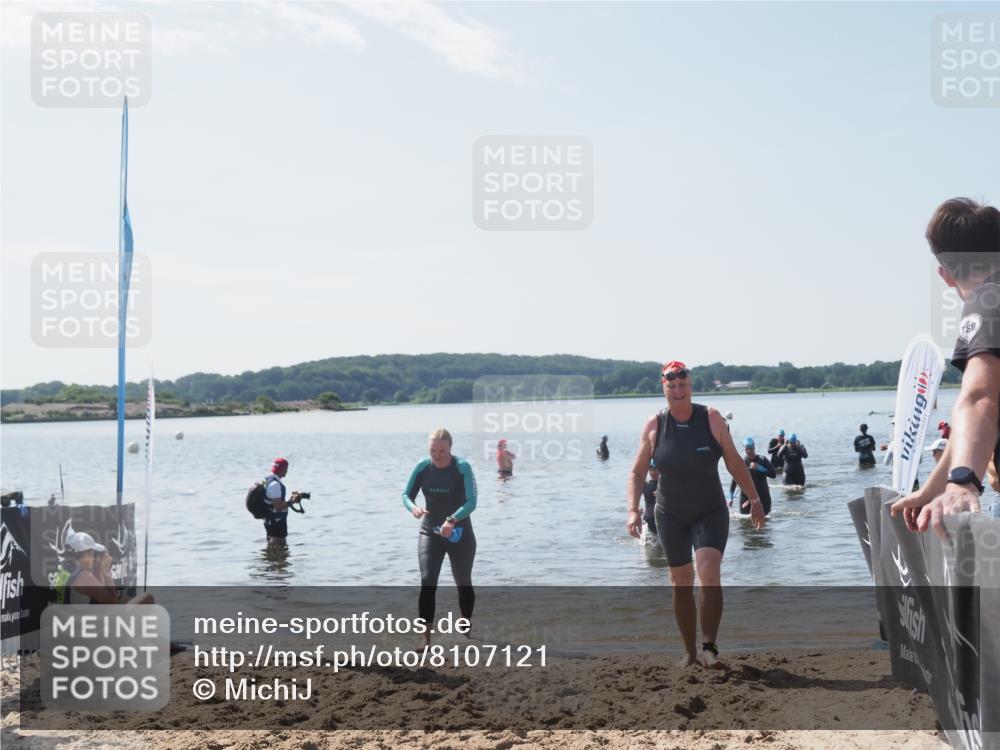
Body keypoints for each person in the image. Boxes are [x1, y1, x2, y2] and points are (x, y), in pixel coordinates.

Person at [627, 361, 765, 669]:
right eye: (672, 385)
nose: (678, 390)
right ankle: (690, 652)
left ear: (690, 386)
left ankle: (709, 648)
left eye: (683, 384)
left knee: (709, 572)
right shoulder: (655, 425)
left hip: (709, 509)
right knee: (680, 582)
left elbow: (734, 462)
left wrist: (754, 499)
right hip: (670, 513)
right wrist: (633, 510)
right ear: (664, 388)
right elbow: (637, 472)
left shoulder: (711, 418)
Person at [892, 198, 1000, 538]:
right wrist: (934, 488)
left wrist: (962, 483)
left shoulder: (986, 301)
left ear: (945, 273)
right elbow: (975, 421)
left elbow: (980, 399)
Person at [402, 428, 478, 646]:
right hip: (430, 533)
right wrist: (413, 508)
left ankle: (465, 626)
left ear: (450, 448)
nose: (437, 455)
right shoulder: (423, 467)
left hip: (460, 534)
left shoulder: (462, 468)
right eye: (433, 450)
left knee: (463, 582)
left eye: (442, 451)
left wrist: (451, 520)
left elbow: (472, 502)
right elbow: (406, 495)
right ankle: (425, 637)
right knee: (428, 581)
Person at [53, 531, 153, 605]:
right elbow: (111, 601)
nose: (94, 558)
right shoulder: (84, 577)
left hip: (69, 615)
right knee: (148, 598)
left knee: (125, 600)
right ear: (86, 554)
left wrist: (100, 570)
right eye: (93, 554)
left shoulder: (65, 568)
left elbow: (99, 595)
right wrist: (106, 570)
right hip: (81, 623)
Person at [263, 458, 303, 545]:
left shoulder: (268, 480)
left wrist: (291, 500)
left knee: (274, 546)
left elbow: (273, 502)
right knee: (279, 543)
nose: (287, 471)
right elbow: (278, 507)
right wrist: (292, 501)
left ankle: (271, 553)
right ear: (282, 469)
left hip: (270, 520)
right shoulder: (275, 485)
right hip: (276, 520)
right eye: (286, 468)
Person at [730, 437, 775, 515]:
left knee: (765, 519)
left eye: (750, 449)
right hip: (746, 497)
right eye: (747, 449)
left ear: (754, 448)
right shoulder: (741, 462)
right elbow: (734, 481)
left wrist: (759, 468)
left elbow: (773, 474)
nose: (749, 451)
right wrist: (730, 498)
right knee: (744, 519)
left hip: (763, 496)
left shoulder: (762, 459)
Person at [641, 462, 660, 536]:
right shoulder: (645, 485)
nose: (653, 472)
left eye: (655, 469)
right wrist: (636, 509)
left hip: (661, 520)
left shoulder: (665, 485)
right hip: (648, 519)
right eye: (650, 469)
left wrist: (663, 494)